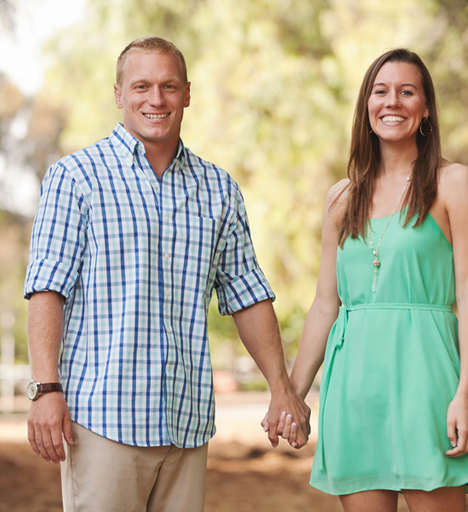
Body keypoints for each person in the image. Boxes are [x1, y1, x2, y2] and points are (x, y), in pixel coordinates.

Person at [23, 35, 310, 512]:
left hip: (186, 422)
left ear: (187, 93)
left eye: (168, 86)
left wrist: (281, 388)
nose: (155, 100)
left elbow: (247, 294)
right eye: (141, 86)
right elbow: (46, 290)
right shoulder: (75, 177)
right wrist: (45, 389)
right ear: (119, 94)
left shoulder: (218, 189)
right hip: (102, 418)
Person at [269, 48, 468, 511]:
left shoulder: (455, 183)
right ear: (366, 106)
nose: (393, 102)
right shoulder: (340, 198)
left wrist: (465, 394)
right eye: (381, 91)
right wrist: (291, 396)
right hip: (355, 389)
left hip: (428, 382)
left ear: (426, 107)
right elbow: (325, 306)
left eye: (407, 92)